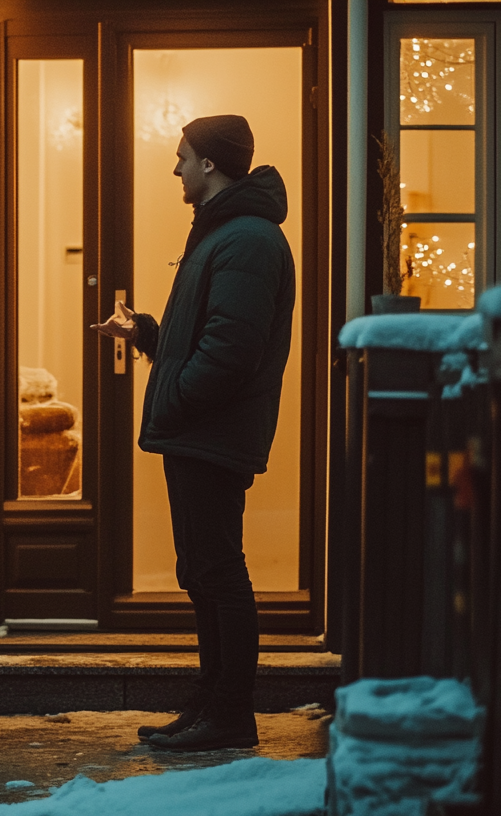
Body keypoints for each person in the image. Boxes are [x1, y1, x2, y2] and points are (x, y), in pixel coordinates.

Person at [91, 115, 296, 752]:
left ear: (209, 164)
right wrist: (148, 334)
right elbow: (207, 339)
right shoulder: (221, 235)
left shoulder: (248, 240)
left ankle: (231, 716)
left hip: (210, 434)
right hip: (200, 433)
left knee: (218, 571)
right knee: (201, 571)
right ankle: (211, 704)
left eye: (182, 158)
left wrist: (174, 400)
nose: (175, 169)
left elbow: (232, 351)